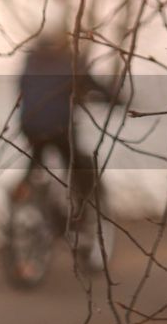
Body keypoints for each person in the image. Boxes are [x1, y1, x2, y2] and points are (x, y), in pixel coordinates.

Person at [16, 33, 114, 266]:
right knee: (79, 168)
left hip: (30, 127)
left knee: (35, 166)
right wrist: (113, 98)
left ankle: (25, 194)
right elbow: (94, 85)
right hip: (61, 128)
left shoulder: (30, 62)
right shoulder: (70, 61)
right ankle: (80, 218)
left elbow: (22, 90)